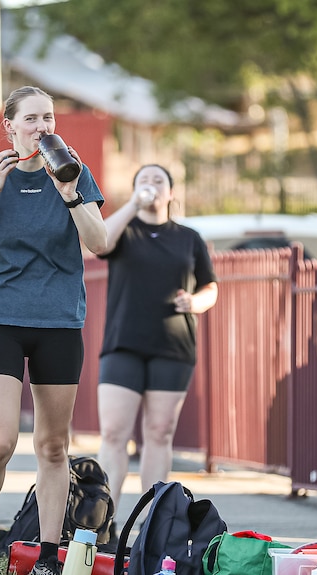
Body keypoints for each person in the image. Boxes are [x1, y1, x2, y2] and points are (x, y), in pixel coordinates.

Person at [0, 85, 107, 575]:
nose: (43, 127)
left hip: (59, 321)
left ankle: (49, 555)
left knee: (53, 446)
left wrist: (71, 194)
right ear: (10, 127)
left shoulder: (74, 173)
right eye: (32, 119)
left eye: (49, 118)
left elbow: (99, 243)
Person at [95, 164, 218, 522]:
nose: (150, 185)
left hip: (173, 347)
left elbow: (210, 286)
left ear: (171, 193)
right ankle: (105, 524)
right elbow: (99, 242)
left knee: (159, 433)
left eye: (157, 181)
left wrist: (195, 302)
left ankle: (153, 523)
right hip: (123, 345)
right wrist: (132, 204)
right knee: (114, 432)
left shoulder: (188, 237)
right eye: (143, 180)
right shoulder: (124, 230)